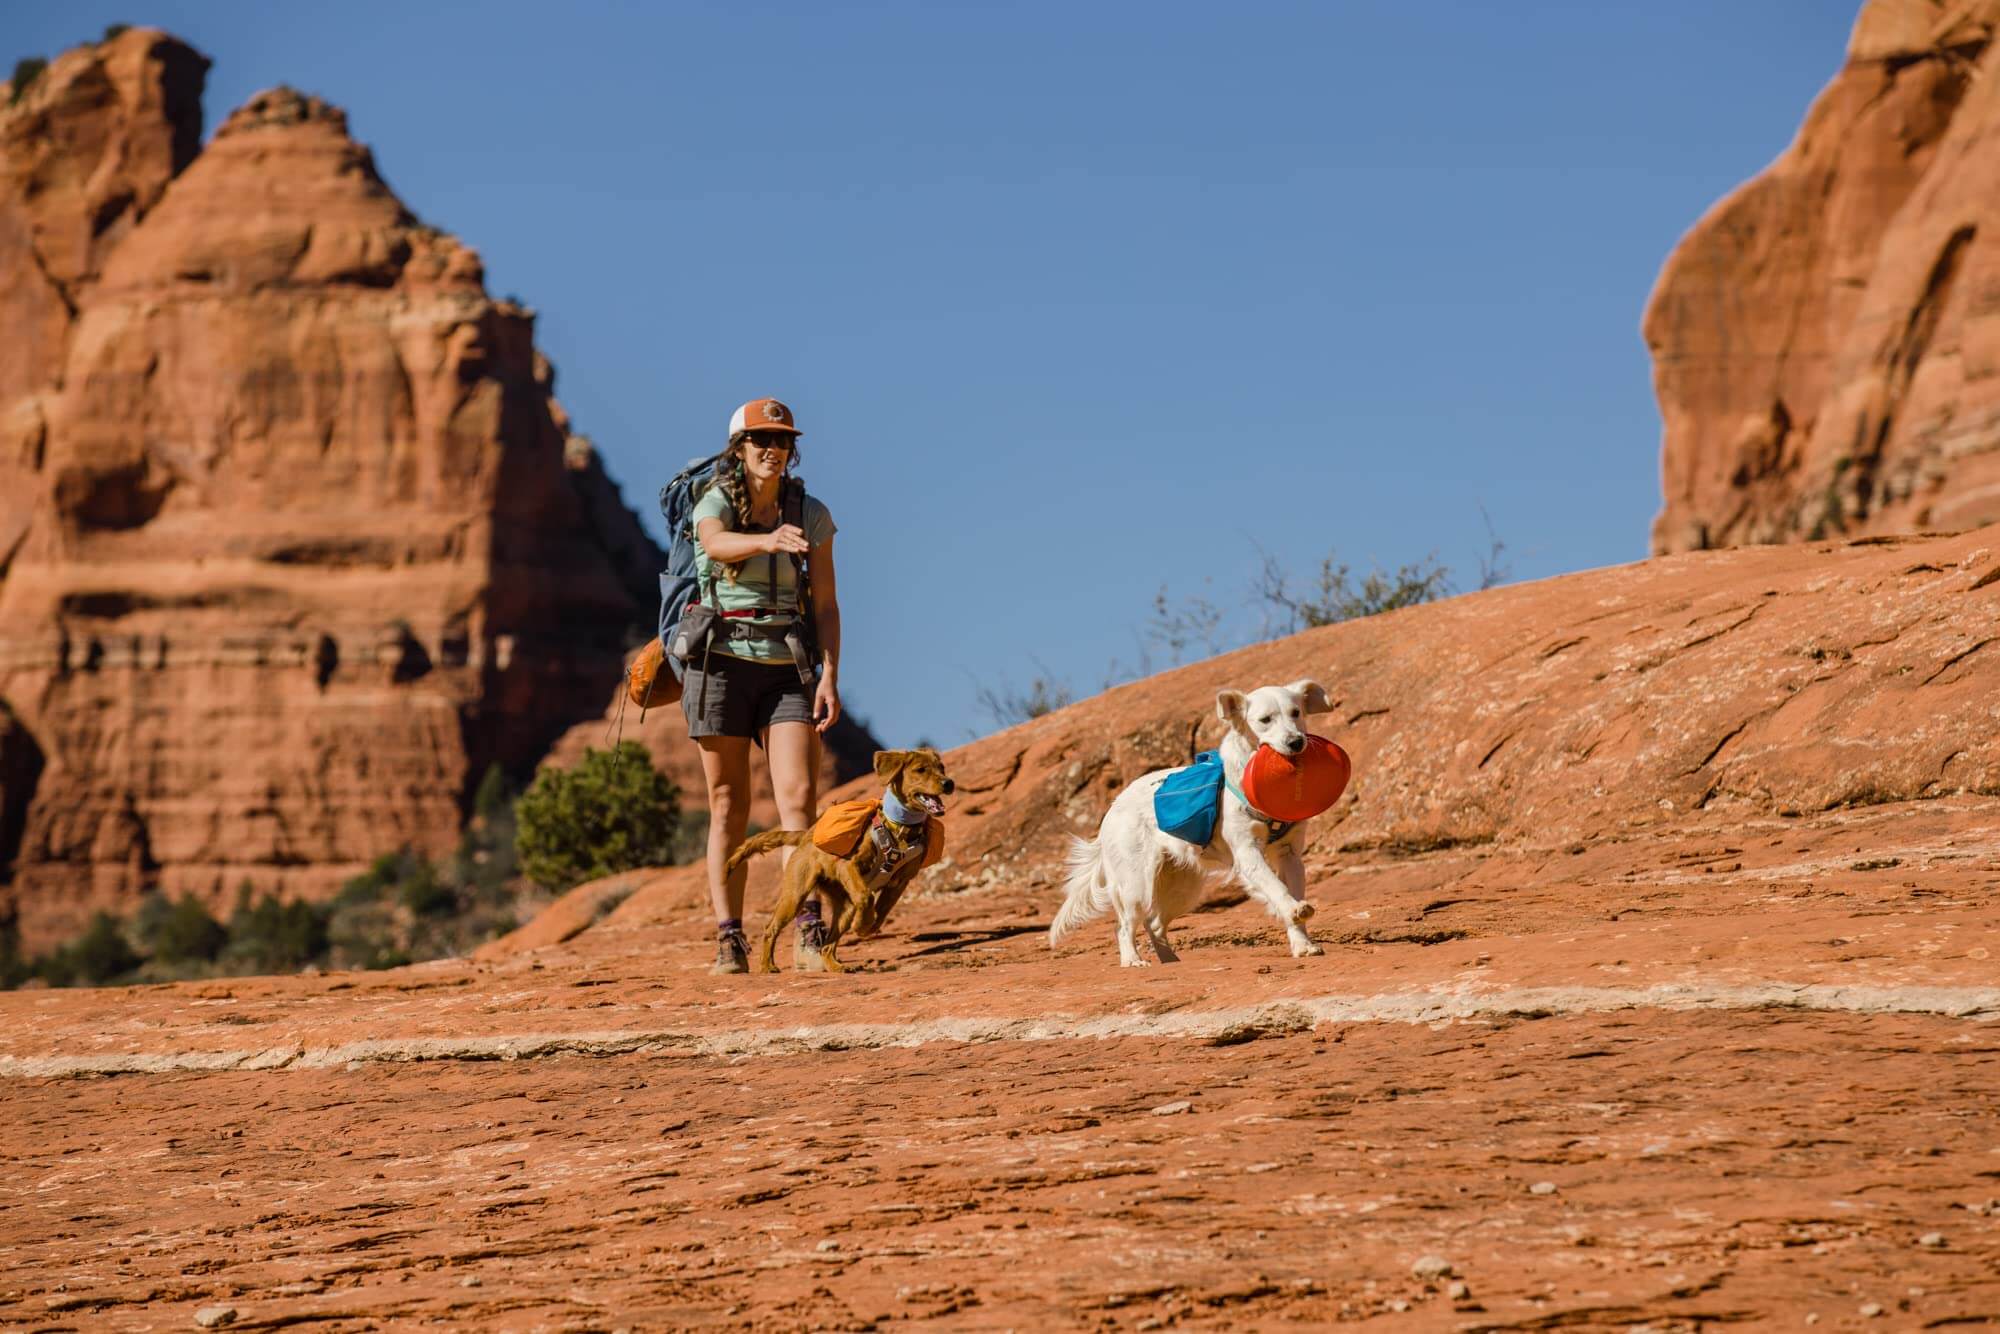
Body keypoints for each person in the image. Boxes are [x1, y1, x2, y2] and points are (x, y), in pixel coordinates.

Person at [684, 397, 842, 974]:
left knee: (798, 799)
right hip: (719, 662)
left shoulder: (810, 512)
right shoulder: (717, 500)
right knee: (728, 803)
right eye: (760, 441)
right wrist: (767, 541)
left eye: (781, 441)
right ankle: (730, 937)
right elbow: (714, 542)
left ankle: (806, 929)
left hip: (787, 667)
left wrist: (830, 674)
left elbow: (825, 603)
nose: (772, 451)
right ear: (739, 448)